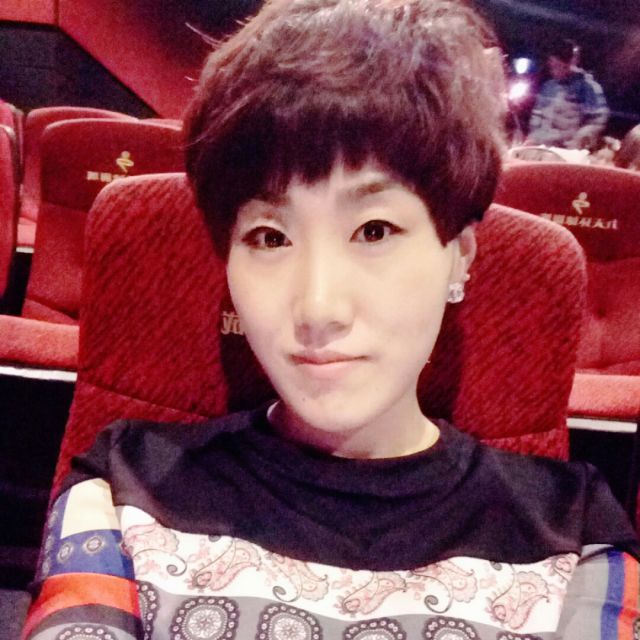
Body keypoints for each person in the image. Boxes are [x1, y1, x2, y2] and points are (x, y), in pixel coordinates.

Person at [24, 1, 639, 639]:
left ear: (459, 254)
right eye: (269, 237)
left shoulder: (576, 533)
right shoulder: (123, 489)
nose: (318, 308)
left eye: (374, 230)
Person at [527, 39, 609, 150]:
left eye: (557, 66)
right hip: (542, 145)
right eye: (552, 66)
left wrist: (579, 139)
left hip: (569, 149)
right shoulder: (548, 86)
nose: (553, 71)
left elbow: (598, 120)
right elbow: (537, 114)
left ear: (570, 64)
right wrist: (533, 136)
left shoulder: (588, 88)